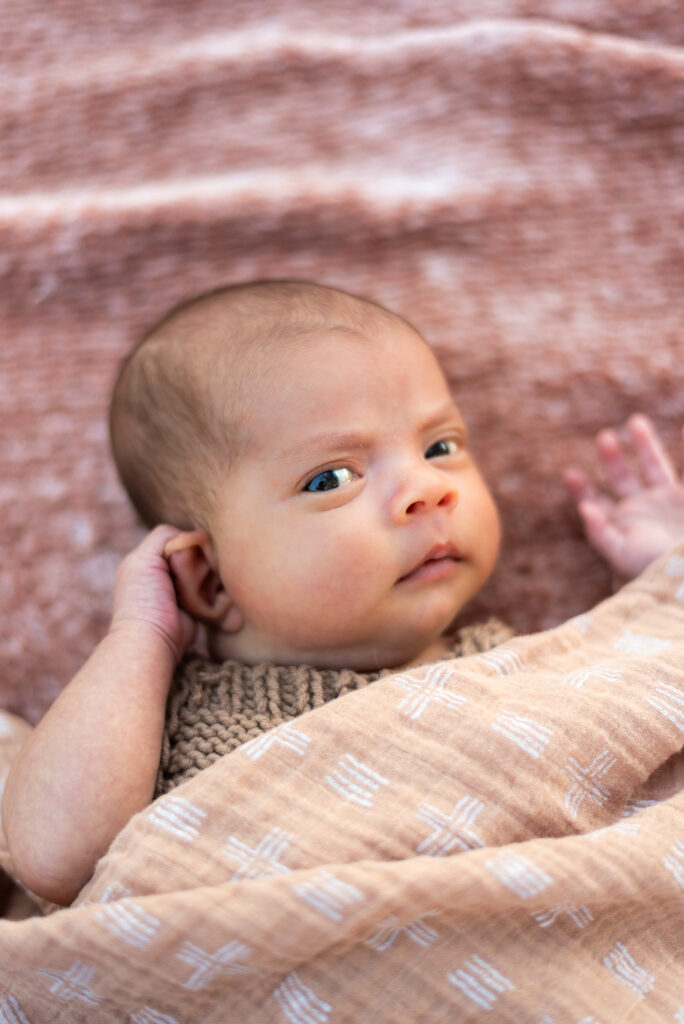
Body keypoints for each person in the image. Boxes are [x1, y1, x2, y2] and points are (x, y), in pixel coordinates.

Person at [4, 281, 684, 908]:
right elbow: (53, 857)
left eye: (441, 445)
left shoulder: (513, 667)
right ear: (210, 580)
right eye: (333, 478)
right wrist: (141, 638)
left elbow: (639, 728)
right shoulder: (155, 723)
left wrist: (666, 578)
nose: (428, 487)